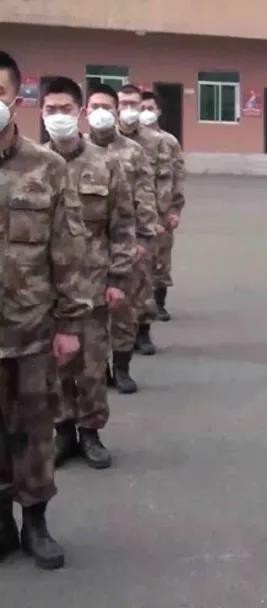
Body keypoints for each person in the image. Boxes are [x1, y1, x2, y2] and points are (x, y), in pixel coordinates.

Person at [0, 50, 91, 570]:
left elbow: (67, 248)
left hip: (32, 330)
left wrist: (71, 324)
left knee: (35, 432)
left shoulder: (47, 167)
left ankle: (36, 523)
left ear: (17, 98)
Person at [42, 78, 135, 471]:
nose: (58, 116)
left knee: (93, 367)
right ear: (40, 113)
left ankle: (91, 432)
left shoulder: (105, 163)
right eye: (51, 109)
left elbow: (123, 224)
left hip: (93, 286)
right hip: (45, 290)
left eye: (65, 109)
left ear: (79, 112)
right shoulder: (35, 164)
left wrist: (119, 278)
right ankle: (63, 432)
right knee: (55, 368)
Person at [87, 84, 158, 394]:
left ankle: (122, 368)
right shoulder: (76, 150)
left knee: (124, 309)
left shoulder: (133, 151)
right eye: (95, 107)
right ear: (85, 112)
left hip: (125, 242)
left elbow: (145, 197)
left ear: (116, 112)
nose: (100, 113)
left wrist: (143, 239)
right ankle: (100, 368)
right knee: (90, 313)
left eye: (106, 107)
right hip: (85, 247)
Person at [117, 84, 169, 356]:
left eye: (133, 104)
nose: (128, 109)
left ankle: (143, 332)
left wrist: (160, 217)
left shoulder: (154, 141)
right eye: (123, 103)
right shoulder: (104, 140)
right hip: (112, 221)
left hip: (144, 221)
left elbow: (162, 180)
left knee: (143, 280)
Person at [139, 91, 185, 322]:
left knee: (161, 259)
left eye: (150, 108)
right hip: (135, 212)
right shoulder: (129, 141)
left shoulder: (169, 142)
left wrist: (175, 210)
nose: (146, 112)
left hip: (162, 211)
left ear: (158, 111)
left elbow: (178, 177)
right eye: (141, 108)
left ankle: (159, 303)